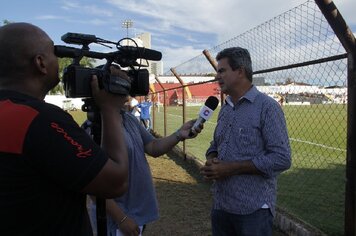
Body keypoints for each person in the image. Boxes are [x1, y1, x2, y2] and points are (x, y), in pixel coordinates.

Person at [0, 22, 130, 235]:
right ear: (40, 63)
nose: (59, 59)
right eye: (55, 52)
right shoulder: (40, 120)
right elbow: (115, 182)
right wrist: (110, 109)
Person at [200, 47, 291, 236]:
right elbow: (215, 145)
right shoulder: (226, 108)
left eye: (222, 71)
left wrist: (230, 168)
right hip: (221, 205)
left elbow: (282, 158)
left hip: (253, 210)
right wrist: (212, 159)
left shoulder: (267, 108)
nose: (217, 76)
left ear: (240, 71)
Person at [87, 93, 202, 236]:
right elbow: (93, 185)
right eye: (119, 84)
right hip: (116, 221)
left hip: (136, 214)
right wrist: (121, 218)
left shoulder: (128, 118)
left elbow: (152, 146)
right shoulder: (94, 128)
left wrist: (179, 134)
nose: (127, 90)